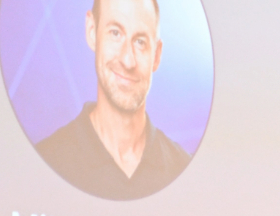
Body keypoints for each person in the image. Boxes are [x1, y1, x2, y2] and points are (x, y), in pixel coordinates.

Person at [35, 0, 191, 200]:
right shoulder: (45, 162)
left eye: (140, 42)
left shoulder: (184, 171)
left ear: (157, 55)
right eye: (115, 33)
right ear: (92, 31)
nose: (128, 60)